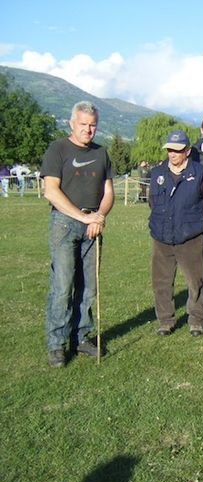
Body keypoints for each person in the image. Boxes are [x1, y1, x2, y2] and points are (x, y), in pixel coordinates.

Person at [41, 101, 115, 368]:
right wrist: (82, 217)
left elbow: (108, 193)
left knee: (89, 286)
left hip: (93, 223)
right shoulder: (58, 149)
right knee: (63, 285)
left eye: (93, 125)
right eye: (83, 124)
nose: (88, 129)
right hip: (64, 223)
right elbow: (51, 190)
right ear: (72, 123)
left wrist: (99, 217)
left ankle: (82, 336)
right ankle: (57, 344)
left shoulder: (102, 152)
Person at [149, 130, 203, 337]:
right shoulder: (157, 173)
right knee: (161, 282)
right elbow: (152, 201)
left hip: (190, 237)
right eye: (169, 149)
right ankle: (165, 320)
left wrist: (201, 229)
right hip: (162, 237)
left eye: (177, 150)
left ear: (187, 151)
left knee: (195, 281)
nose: (173, 154)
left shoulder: (201, 173)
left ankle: (196, 320)